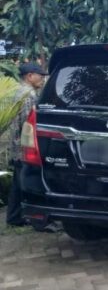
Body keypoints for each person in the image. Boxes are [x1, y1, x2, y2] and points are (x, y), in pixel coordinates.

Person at [6, 63, 46, 227]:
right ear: (30, 76)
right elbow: (28, 123)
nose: (42, 79)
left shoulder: (17, 92)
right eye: (40, 75)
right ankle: (37, 221)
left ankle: (14, 217)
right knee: (30, 182)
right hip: (25, 146)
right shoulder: (29, 95)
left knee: (17, 183)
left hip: (15, 146)